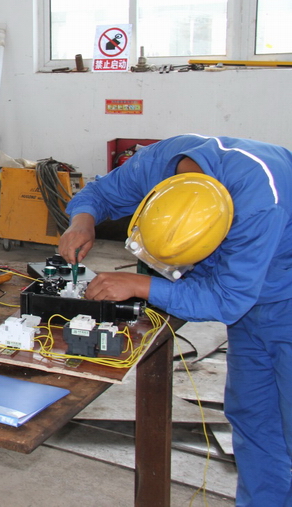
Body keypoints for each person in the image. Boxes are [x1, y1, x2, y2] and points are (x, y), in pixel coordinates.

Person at [58, 133, 292, 506]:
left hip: (282, 299)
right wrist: (82, 221)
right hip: (249, 303)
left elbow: (227, 298)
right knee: (254, 418)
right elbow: (100, 193)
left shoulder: (260, 203)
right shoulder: (160, 163)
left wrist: (139, 285)